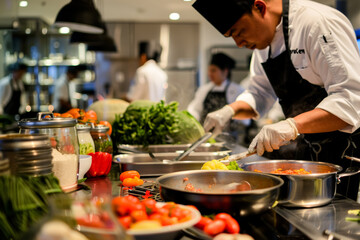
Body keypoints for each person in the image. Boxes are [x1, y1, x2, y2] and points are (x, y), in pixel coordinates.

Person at [193, 0, 360, 200]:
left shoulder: (316, 23)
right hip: (308, 149)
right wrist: (229, 110)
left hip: (345, 153)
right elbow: (259, 93)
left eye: (239, 31)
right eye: (232, 37)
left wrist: (292, 125)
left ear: (260, 7)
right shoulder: (262, 44)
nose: (238, 43)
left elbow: (351, 100)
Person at [187, 52, 250, 143]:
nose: (210, 74)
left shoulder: (237, 90)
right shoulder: (204, 89)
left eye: (213, 70)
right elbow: (195, 109)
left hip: (229, 141)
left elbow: (245, 121)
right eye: (209, 70)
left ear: (225, 71)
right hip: (206, 139)